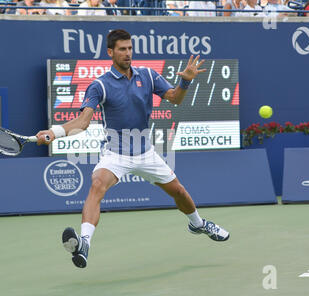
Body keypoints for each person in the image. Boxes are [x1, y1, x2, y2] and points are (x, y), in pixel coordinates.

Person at [36, 29, 230, 269]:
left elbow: (175, 98)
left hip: (146, 153)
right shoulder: (99, 86)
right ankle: (84, 243)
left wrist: (185, 80)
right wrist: (53, 132)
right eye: (122, 49)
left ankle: (198, 224)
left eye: (129, 48)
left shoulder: (147, 75)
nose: (127, 53)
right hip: (116, 154)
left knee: (178, 192)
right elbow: (82, 123)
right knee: (97, 184)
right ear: (110, 52)